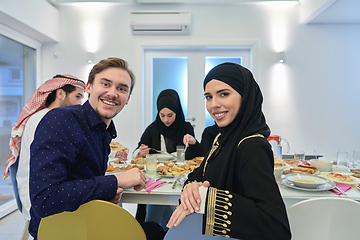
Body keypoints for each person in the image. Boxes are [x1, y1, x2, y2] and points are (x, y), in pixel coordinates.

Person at [28, 57, 164, 240]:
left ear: (128, 98)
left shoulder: (103, 131)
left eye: (122, 88)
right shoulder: (61, 120)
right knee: (156, 231)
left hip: (85, 219)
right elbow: (46, 198)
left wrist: (106, 193)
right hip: (62, 230)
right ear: (89, 87)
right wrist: (115, 182)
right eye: (105, 84)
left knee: (155, 228)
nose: (113, 93)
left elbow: (78, 180)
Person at [167, 62, 291, 240]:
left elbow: (276, 227)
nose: (213, 105)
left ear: (245, 96)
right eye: (208, 97)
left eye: (223, 94)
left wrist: (208, 198)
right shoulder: (223, 138)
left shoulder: (252, 146)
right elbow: (199, 174)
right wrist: (191, 188)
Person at [3, 75, 85, 221]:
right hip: (39, 200)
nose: (80, 103)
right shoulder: (49, 119)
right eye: (77, 96)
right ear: (60, 93)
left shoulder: (47, 116)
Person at [133, 89, 202, 230]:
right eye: (162, 115)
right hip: (156, 179)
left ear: (177, 111)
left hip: (179, 178)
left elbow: (197, 155)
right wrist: (140, 153)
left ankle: (166, 231)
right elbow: (138, 152)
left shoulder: (186, 127)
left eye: (170, 115)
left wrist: (193, 142)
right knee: (155, 206)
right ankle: (156, 231)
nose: (166, 120)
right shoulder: (152, 129)